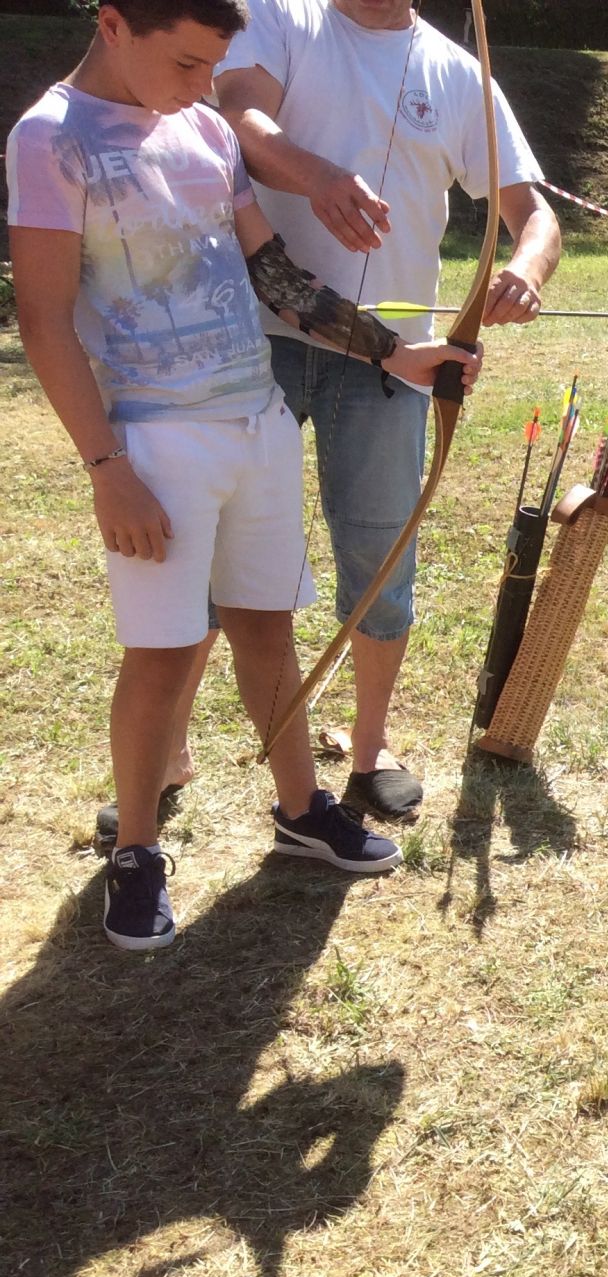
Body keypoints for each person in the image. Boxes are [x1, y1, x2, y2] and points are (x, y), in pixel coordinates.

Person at [6, 0, 482, 948]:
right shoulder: (49, 139)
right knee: (169, 650)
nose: (199, 90)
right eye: (184, 64)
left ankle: (301, 808)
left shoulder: (206, 129)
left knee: (266, 626)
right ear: (111, 23)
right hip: (153, 440)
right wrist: (108, 467)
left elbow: (273, 275)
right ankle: (136, 851)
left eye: (212, 68)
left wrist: (391, 354)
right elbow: (47, 320)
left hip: (254, 422)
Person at [169, 0, 560, 823]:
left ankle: (370, 745)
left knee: (382, 555)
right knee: (211, 547)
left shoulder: (460, 73)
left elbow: (534, 213)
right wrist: (317, 176)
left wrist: (525, 267)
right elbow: (236, 113)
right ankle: (165, 749)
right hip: (259, 333)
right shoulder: (283, 16)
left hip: (392, 357)